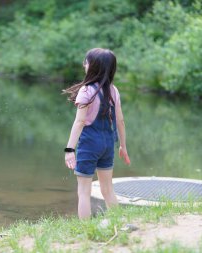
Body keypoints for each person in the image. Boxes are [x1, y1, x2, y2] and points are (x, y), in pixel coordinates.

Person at [62, 48, 131, 220]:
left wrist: (69, 149)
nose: (84, 64)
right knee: (107, 190)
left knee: (84, 192)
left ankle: (86, 230)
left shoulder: (86, 91)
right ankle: (118, 222)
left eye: (86, 62)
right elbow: (120, 122)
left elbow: (79, 122)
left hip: (89, 144)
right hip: (108, 143)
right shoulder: (114, 91)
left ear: (93, 66)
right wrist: (123, 145)